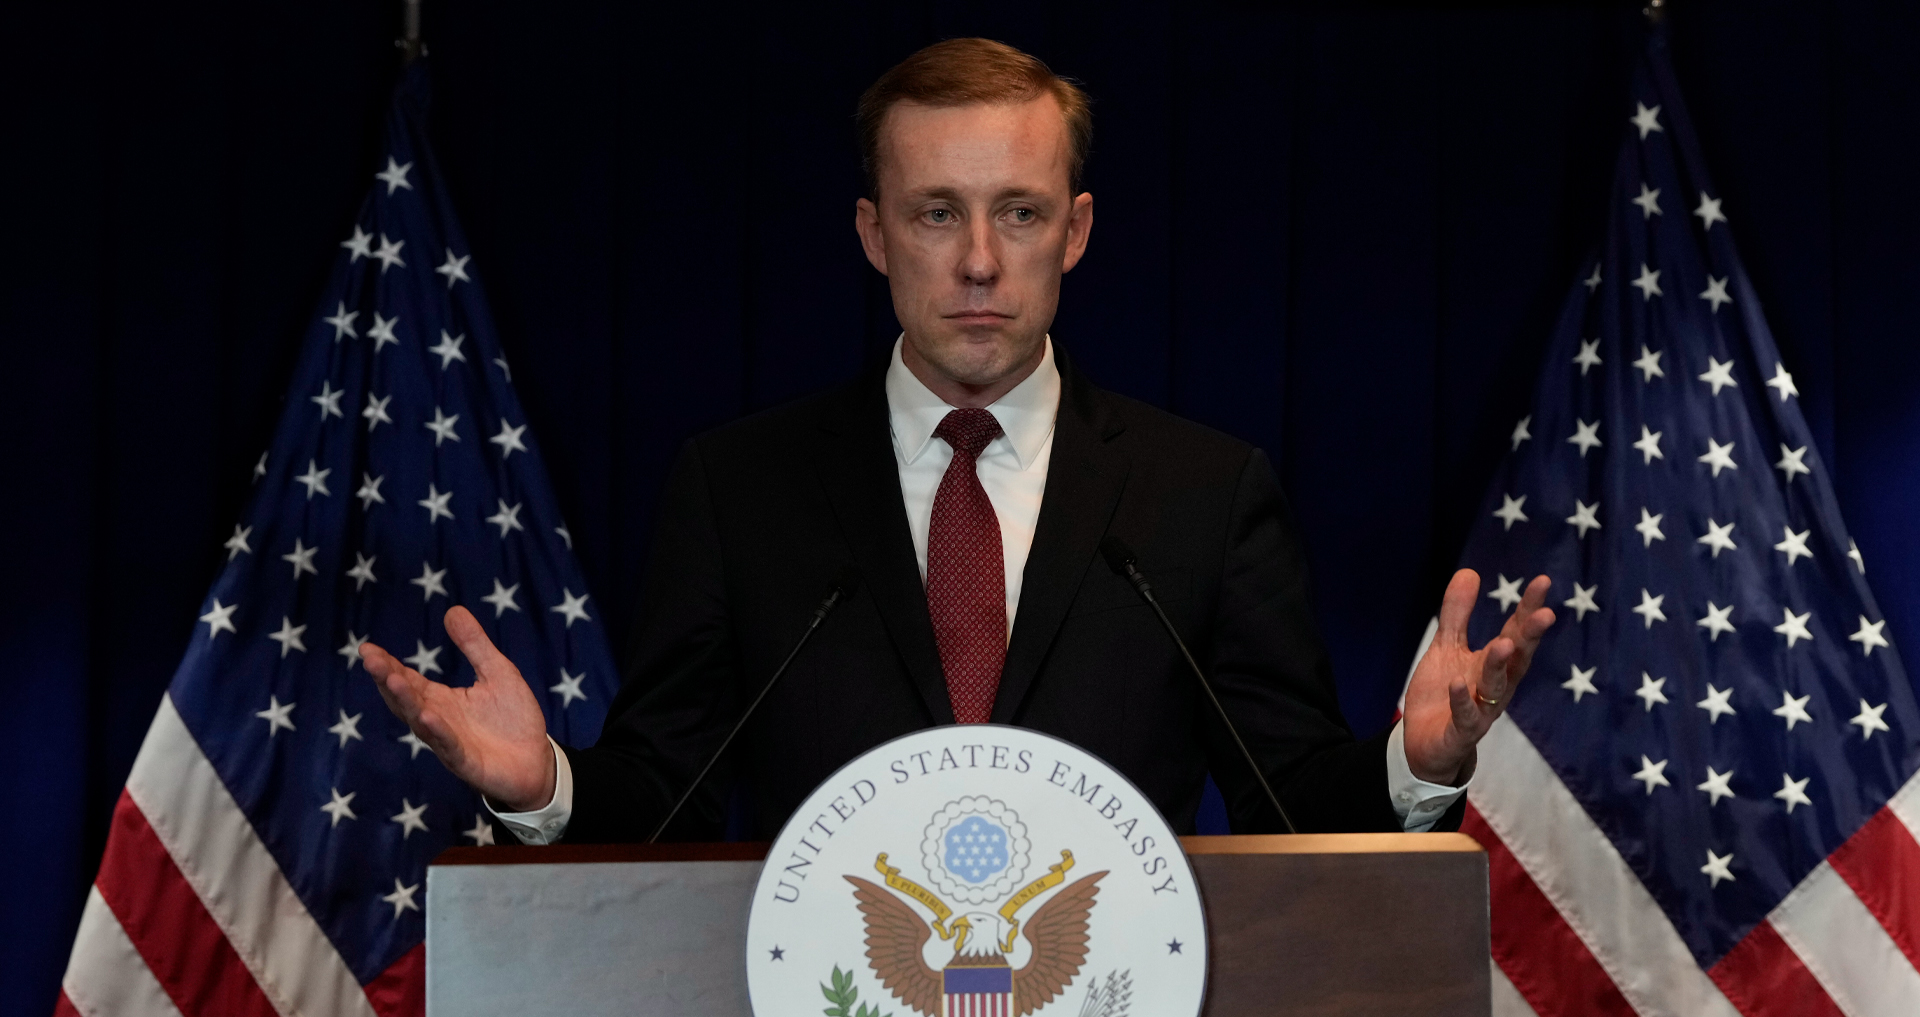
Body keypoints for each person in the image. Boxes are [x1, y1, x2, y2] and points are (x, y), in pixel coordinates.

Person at [359, 38, 1555, 844]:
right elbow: (663, 795)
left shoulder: (1202, 493)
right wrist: (548, 788)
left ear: (1074, 232)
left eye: (1019, 213)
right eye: (938, 213)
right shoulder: (742, 490)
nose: (979, 260)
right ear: (875, 233)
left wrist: (1419, 762)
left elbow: (1289, 802)